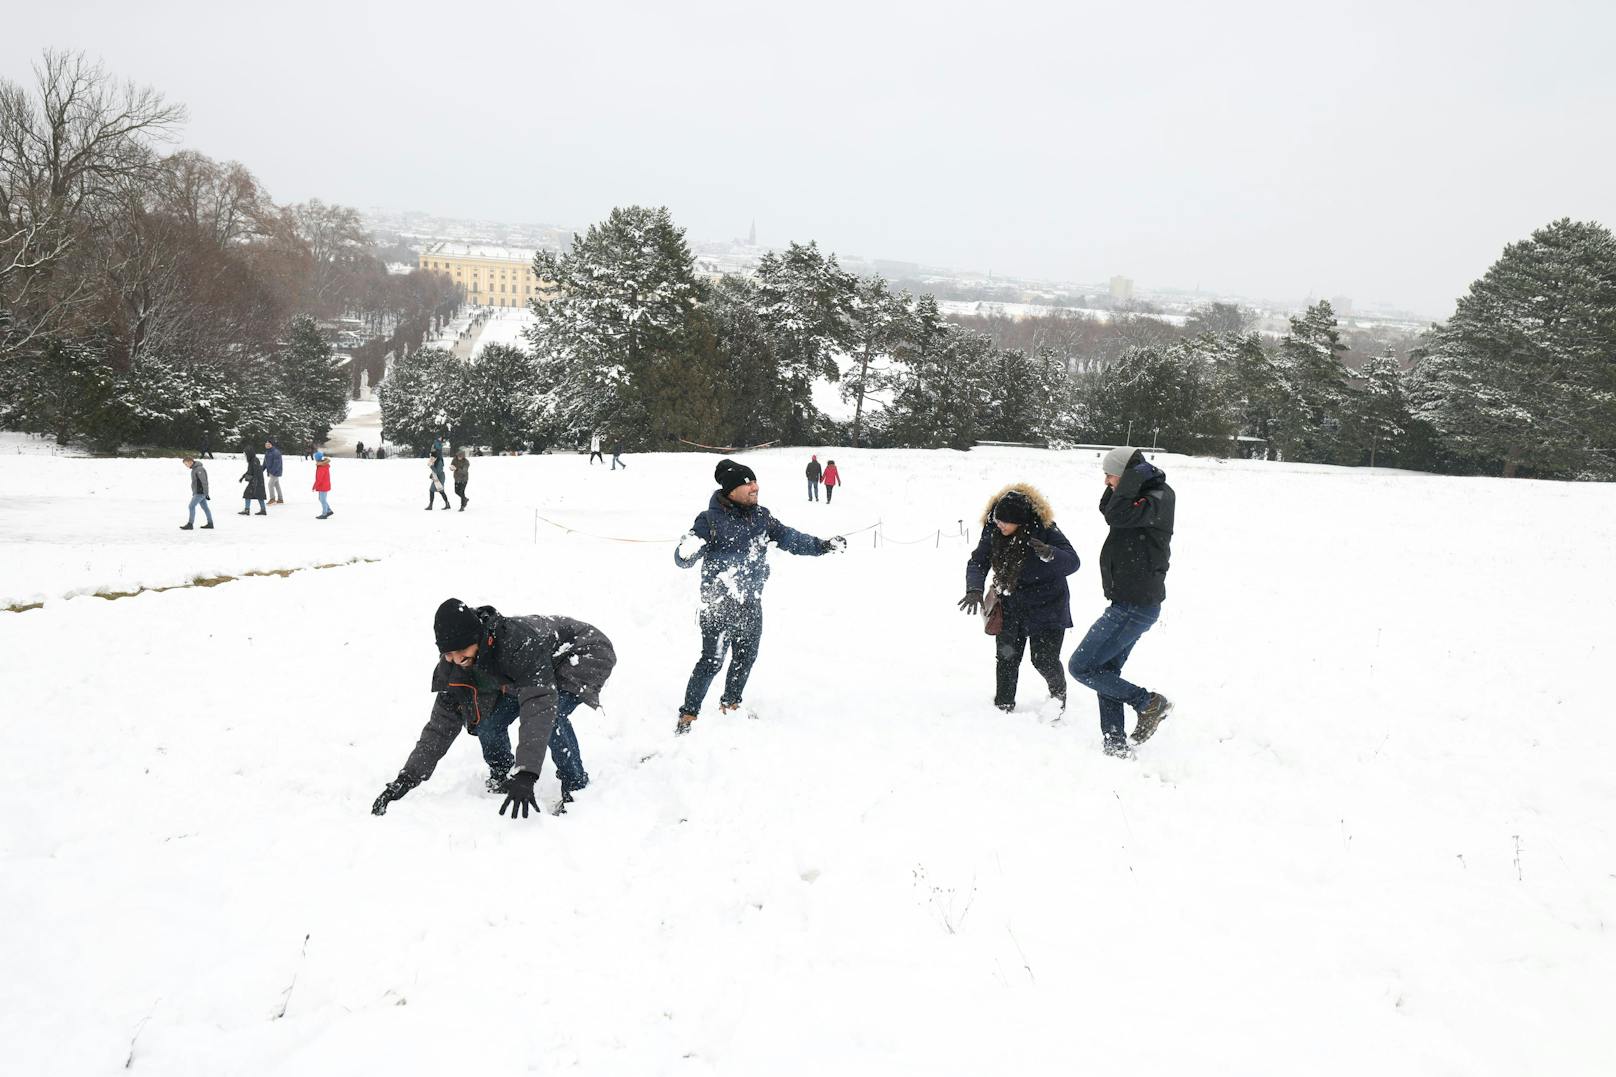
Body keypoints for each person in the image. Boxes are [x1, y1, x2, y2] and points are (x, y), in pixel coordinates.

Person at [370, 599, 617, 820]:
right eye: (449, 654)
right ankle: (501, 774)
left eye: (462, 651)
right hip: (530, 670)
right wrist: (407, 778)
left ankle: (576, 785)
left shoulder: (516, 644)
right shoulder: (454, 666)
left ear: (477, 639)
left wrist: (527, 774)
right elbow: (440, 726)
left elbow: (538, 706)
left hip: (581, 652)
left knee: (550, 716)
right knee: (487, 723)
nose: (457, 660)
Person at [673, 458, 845, 735]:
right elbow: (683, 559)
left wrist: (821, 546)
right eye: (748, 483)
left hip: (750, 601)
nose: (755, 487)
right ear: (731, 489)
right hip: (718, 604)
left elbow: (789, 538)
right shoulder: (709, 520)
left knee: (746, 656)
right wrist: (687, 549)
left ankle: (730, 705)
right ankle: (689, 714)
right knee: (712, 661)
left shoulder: (761, 517)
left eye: (754, 481)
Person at [1067, 447, 1176, 758]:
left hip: (1135, 605)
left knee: (1082, 667)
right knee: (1105, 671)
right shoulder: (1139, 492)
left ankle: (1148, 703)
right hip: (1128, 603)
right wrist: (1120, 483)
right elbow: (1108, 511)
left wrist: (1128, 480)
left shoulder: (1158, 496)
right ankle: (1114, 743)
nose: (1106, 481)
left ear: (1127, 476)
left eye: (1110, 474)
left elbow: (1117, 513)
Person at [959, 486, 1080, 715]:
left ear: (1021, 522)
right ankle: (1003, 706)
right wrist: (974, 589)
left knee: (1043, 659)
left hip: (1048, 603)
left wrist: (1050, 554)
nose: (1000, 525)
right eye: (998, 520)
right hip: (1010, 602)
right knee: (1007, 657)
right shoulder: (993, 529)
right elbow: (978, 561)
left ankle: (1057, 697)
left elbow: (1073, 562)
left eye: (1006, 522)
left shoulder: (1045, 530)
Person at [179, 457, 213, 530]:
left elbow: (204, 482)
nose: (186, 466)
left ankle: (190, 524)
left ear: (190, 462)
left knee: (191, 506)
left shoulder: (199, 469)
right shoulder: (195, 469)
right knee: (205, 508)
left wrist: (206, 493)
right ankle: (210, 523)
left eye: (186, 464)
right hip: (198, 492)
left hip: (200, 492)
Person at [239, 448, 267, 515]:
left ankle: (247, 510)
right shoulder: (252, 460)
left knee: (250, 494)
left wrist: (255, 481)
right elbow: (249, 471)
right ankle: (262, 510)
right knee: (258, 495)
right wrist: (243, 477)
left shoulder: (254, 460)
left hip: (257, 481)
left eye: (246, 454)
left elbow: (256, 472)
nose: (245, 455)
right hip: (255, 481)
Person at [426, 445, 450, 509]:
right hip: (436, 477)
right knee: (438, 491)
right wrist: (431, 474)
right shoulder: (435, 460)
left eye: (432, 456)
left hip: (440, 477)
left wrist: (431, 466)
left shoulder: (439, 461)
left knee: (434, 490)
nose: (431, 458)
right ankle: (447, 504)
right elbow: (435, 471)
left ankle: (431, 506)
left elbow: (437, 471)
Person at [313, 450, 334, 518]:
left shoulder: (321, 467)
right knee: (321, 499)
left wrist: (315, 485)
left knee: (322, 500)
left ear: (317, 458)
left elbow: (319, 479)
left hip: (323, 485)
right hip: (324, 484)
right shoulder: (323, 465)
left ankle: (324, 514)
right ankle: (329, 510)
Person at [263, 440, 285, 504]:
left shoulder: (276, 452)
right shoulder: (267, 452)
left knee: (270, 485)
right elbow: (265, 463)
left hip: (275, 472)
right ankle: (280, 499)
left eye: (268, 444)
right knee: (277, 485)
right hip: (271, 472)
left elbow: (277, 464)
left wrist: (272, 472)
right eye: (266, 444)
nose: (267, 445)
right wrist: (261, 470)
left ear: (271, 445)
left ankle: (272, 499)